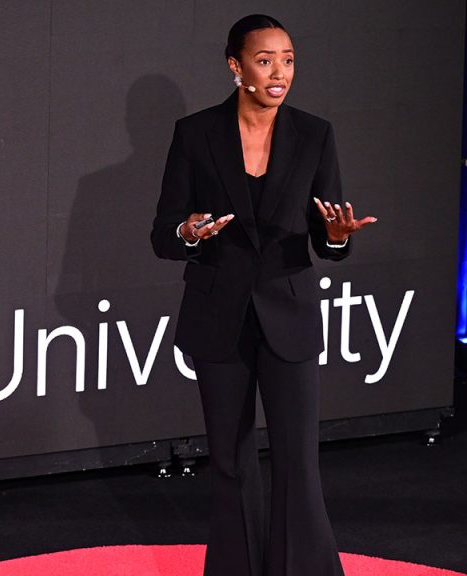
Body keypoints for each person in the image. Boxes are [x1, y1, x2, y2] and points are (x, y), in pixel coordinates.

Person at [150, 14, 376, 576]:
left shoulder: (315, 134)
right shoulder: (195, 133)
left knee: (297, 461)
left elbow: (330, 235)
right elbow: (163, 232)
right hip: (217, 315)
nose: (280, 72)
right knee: (229, 462)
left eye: (289, 60)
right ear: (236, 66)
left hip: (289, 314)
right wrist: (189, 233)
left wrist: (335, 236)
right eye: (266, 59)